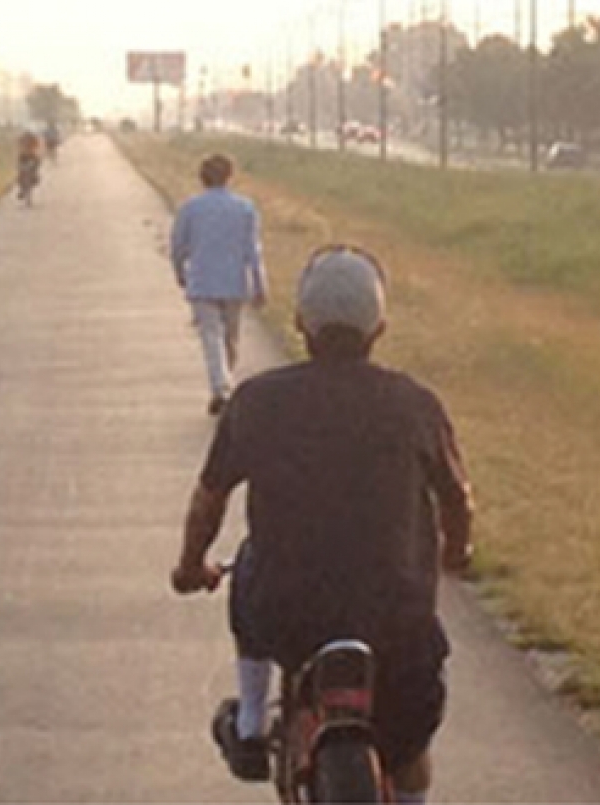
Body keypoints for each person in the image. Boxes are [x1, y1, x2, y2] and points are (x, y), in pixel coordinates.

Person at [170, 246, 474, 803]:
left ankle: (253, 720)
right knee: (409, 754)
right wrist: (456, 553)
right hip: (397, 624)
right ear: (379, 326)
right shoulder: (415, 405)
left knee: (246, 570)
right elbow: (457, 502)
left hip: (285, 611)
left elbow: (208, 500)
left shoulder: (258, 401)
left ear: (300, 323)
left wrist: (192, 566)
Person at [168, 153, 267, 414]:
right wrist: (259, 283)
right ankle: (222, 387)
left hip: (202, 281)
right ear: (229, 176)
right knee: (229, 338)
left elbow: (179, 245)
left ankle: (221, 385)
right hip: (234, 282)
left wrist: (179, 270)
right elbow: (253, 251)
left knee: (212, 337)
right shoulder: (245, 208)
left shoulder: (190, 209)